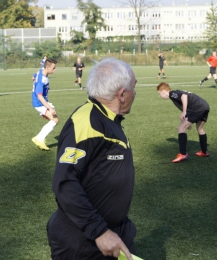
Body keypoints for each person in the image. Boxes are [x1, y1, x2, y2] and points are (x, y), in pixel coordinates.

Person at [47, 58, 137, 260]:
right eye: (134, 87)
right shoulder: (87, 121)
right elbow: (65, 182)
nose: (136, 93)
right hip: (84, 240)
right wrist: (99, 231)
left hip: (113, 232)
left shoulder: (108, 118)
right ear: (122, 94)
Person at [157, 82, 210, 163]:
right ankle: (204, 152)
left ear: (163, 91)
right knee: (200, 128)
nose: (159, 96)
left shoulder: (172, 93)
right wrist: (187, 118)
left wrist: (185, 112)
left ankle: (183, 154)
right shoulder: (174, 94)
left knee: (181, 128)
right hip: (204, 105)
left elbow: (184, 96)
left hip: (197, 107)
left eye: (159, 93)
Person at [31, 58, 58, 151]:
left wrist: (33, 78)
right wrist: (49, 108)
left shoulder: (41, 72)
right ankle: (39, 139)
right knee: (55, 120)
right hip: (39, 103)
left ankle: (39, 138)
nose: (55, 70)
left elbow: (34, 76)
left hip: (41, 101)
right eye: (53, 68)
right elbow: (39, 95)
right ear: (47, 67)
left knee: (54, 119)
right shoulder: (41, 80)